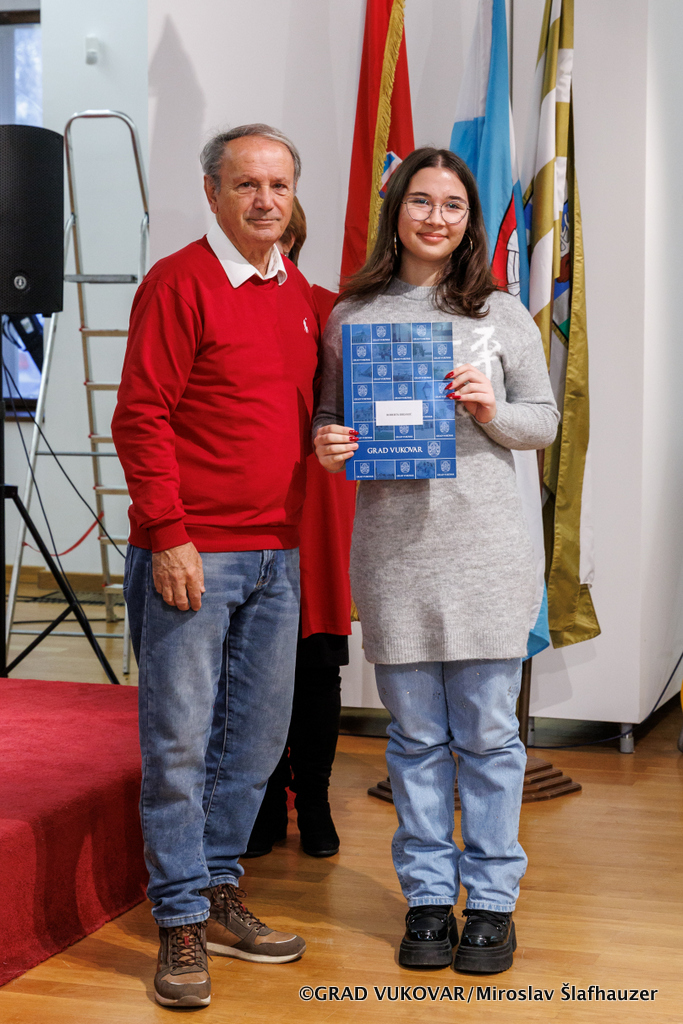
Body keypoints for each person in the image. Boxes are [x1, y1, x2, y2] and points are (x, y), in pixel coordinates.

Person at [313, 147, 559, 974]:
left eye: (452, 205)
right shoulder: (351, 316)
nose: (435, 218)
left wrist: (491, 410)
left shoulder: (500, 312)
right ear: (397, 211)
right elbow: (326, 417)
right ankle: (426, 898)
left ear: (469, 220)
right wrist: (327, 444)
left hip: (485, 554)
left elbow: (543, 421)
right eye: (420, 201)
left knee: (487, 739)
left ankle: (490, 903)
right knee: (414, 740)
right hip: (393, 557)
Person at [112, 124, 319, 1009]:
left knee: (255, 744)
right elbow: (140, 416)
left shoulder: (298, 293)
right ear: (212, 193)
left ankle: (219, 888)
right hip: (193, 554)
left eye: (278, 185)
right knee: (179, 745)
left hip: (278, 555)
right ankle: (179, 921)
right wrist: (168, 533)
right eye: (246, 184)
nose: (265, 200)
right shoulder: (179, 284)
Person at [244, 199, 356, 860]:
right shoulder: (225, 300)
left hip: (317, 505)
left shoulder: (333, 311)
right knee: (251, 672)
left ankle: (312, 799)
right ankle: (260, 801)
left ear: (293, 239)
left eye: (282, 232)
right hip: (252, 506)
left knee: (315, 669)